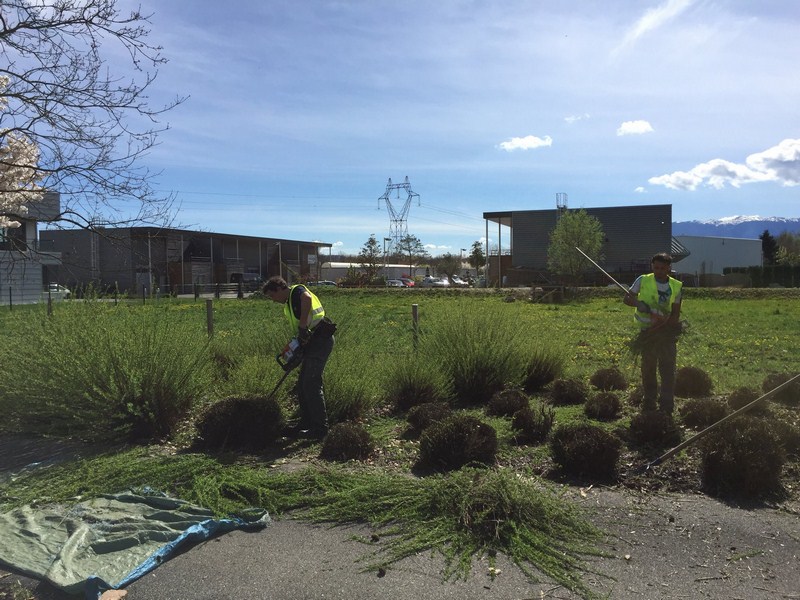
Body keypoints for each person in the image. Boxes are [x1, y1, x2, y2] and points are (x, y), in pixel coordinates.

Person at [263, 276, 334, 438]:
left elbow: (307, 299)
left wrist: (303, 327)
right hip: (312, 342)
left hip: (320, 339)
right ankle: (306, 423)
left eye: (272, 296)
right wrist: (294, 347)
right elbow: (301, 328)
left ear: (280, 289)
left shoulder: (296, 291)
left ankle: (320, 429)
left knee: (311, 384)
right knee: (302, 385)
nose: (273, 300)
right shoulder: (289, 303)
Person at [623, 252, 683, 414]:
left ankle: (667, 403)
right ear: (652, 266)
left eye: (663, 268)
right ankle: (649, 400)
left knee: (667, 368)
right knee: (648, 367)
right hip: (647, 333)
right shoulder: (643, 280)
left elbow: (676, 312)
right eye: (656, 267)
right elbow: (627, 299)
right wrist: (638, 304)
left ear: (669, 268)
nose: (659, 271)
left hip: (666, 334)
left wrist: (667, 323)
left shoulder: (676, 286)